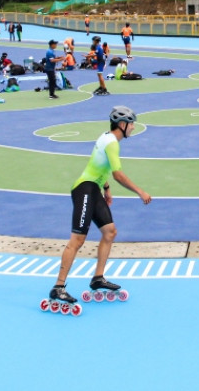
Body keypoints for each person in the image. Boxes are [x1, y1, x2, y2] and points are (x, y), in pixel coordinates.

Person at [46, 106, 152, 307]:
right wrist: (140, 191)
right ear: (122, 125)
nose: (133, 128)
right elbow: (118, 173)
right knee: (77, 239)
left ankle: (98, 278)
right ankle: (58, 287)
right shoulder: (112, 143)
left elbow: (99, 164)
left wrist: (106, 188)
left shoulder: (106, 137)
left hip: (94, 188)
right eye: (131, 124)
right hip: (85, 189)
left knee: (110, 232)